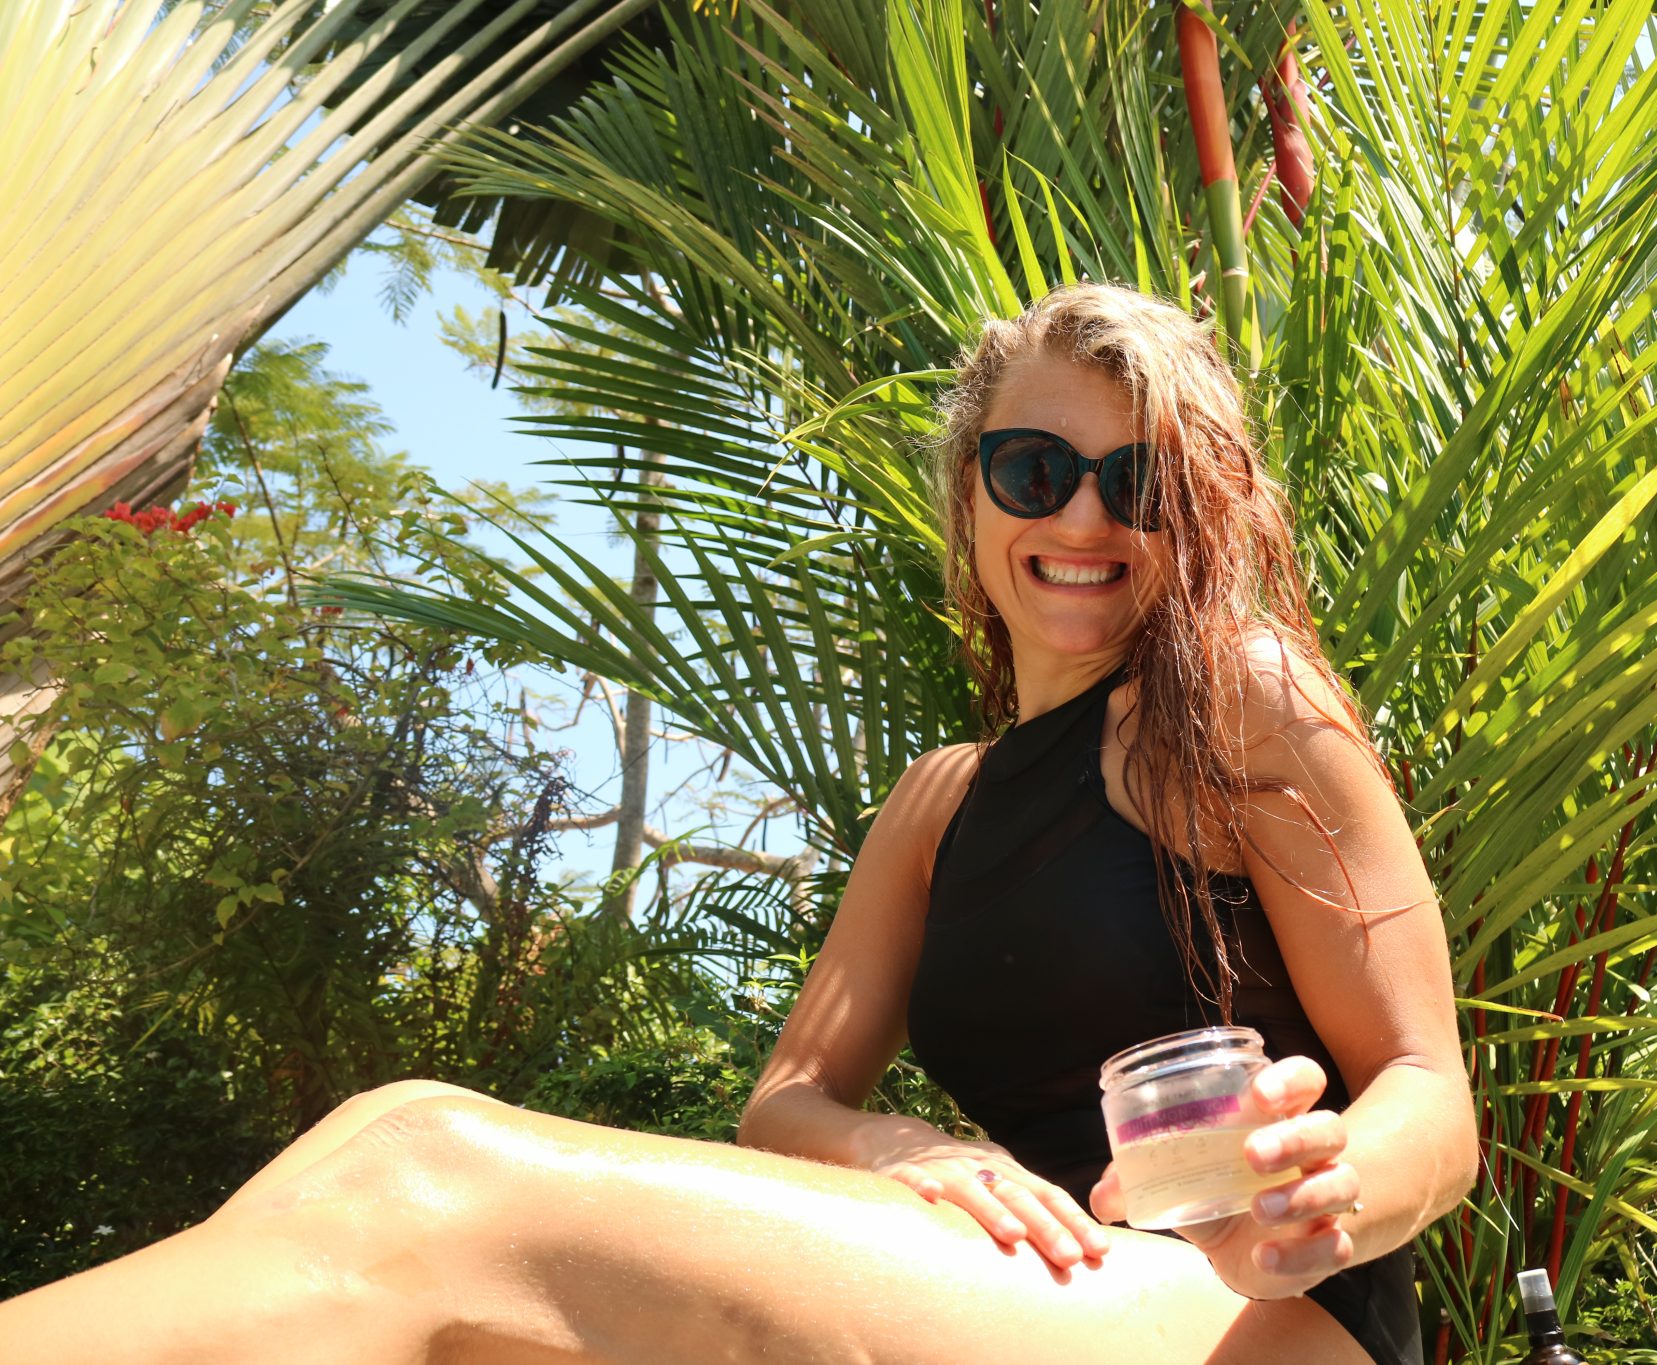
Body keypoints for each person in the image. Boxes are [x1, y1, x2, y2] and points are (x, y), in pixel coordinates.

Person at [0, 282, 1476, 1364]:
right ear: (969, 495)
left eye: (1137, 484)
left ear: (1194, 515)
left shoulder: (1244, 699)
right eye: (1036, 469)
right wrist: (893, 1145)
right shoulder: (936, 804)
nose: (1083, 520)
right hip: (1027, 1288)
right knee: (382, 1129)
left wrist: (1332, 1194)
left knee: (423, 1177)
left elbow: (1428, 1091)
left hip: (1250, 1311)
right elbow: (789, 1100)